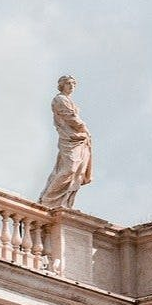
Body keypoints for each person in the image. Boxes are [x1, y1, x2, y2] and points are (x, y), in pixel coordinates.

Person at [38, 75, 93, 209]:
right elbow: (70, 117)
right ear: (62, 85)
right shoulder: (60, 99)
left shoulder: (69, 100)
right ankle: (47, 201)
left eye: (73, 84)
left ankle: (65, 203)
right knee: (70, 168)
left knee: (77, 172)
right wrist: (84, 127)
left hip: (79, 139)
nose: (71, 86)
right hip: (69, 138)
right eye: (68, 83)